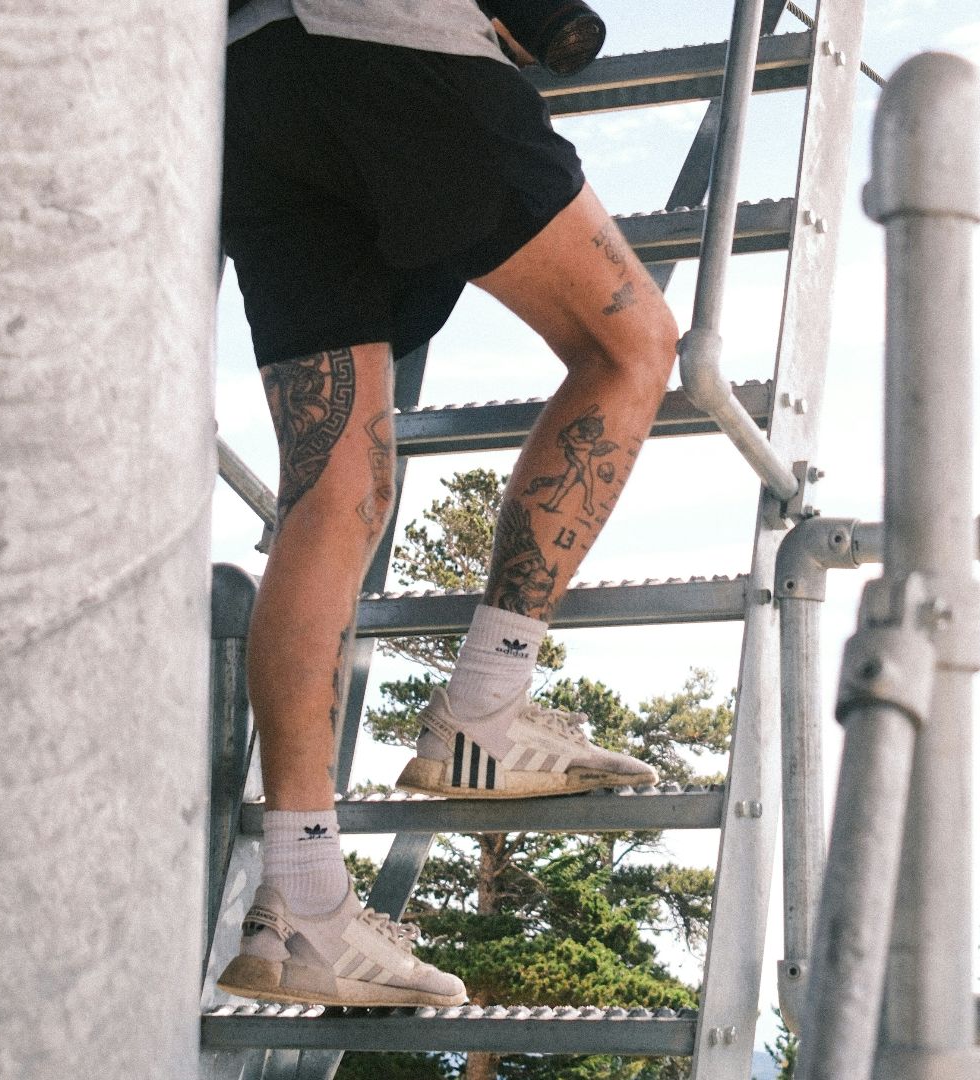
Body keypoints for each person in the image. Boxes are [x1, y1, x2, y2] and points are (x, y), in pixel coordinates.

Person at [214, 0, 677, 1008]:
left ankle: (302, 905)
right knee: (632, 342)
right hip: (394, 39)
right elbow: (557, 32)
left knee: (333, 492)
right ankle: (485, 710)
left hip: (247, 82)